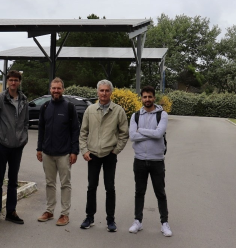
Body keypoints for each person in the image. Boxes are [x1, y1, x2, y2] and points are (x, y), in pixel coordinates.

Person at [79, 79, 129, 232]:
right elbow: (83, 133)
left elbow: (124, 133)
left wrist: (116, 150)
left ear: (111, 92)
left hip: (109, 155)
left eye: (107, 90)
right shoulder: (90, 110)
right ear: (97, 92)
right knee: (91, 187)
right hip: (93, 155)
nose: (104, 93)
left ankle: (110, 220)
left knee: (110, 188)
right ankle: (89, 217)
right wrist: (84, 150)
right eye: (101, 90)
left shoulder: (118, 111)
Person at [128, 85, 172, 237]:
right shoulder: (135, 116)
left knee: (160, 193)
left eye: (150, 96)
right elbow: (132, 136)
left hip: (157, 160)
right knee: (139, 192)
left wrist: (141, 131)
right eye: (144, 97)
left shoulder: (162, 115)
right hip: (139, 160)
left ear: (154, 98)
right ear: (141, 98)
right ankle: (137, 221)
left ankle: (164, 223)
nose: (147, 99)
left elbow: (159, 133)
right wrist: (150, 134)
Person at [36, 77, 80, 226]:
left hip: (64, 153)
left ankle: (64, 214)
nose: (56, 91)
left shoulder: (69, 107)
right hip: (47, 152)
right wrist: (39, 149)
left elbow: (75, 130)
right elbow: (41, 129)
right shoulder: (45, 107)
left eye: (58, 88)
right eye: (53, 88)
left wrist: (74, 151)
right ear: (50, 89)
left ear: (63, 89)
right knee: (49, 183)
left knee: (65, 184)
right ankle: (49, 211)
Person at [0, 70, 29, 225]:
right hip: (2, 146)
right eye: (11, 80)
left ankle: (11, 211)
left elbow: (25, 122)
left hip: (17, 146)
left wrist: (23, 139)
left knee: (13, 181)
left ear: (19, 82)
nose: (13, 83)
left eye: (16, 80)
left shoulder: (24, 99)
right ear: (7, 82)